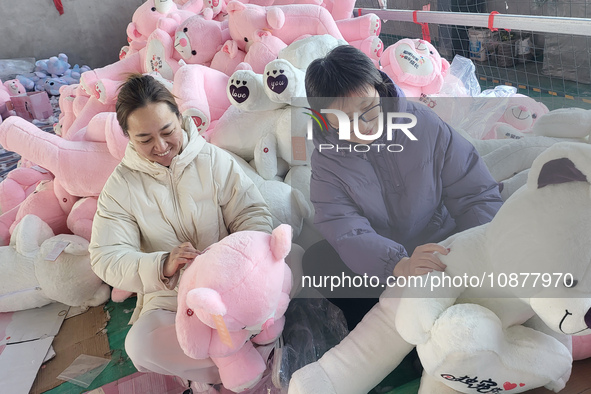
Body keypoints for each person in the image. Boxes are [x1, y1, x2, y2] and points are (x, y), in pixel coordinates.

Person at [89, 74, 274, 393]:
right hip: (174, 300)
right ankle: (226, 368)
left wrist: (237, 262)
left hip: (233, 285)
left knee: (292, 262)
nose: (160, 146)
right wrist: (162, 265)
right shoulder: (120, 188)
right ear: (128, 137)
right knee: (141, 345)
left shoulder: (213, 161)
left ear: (180, 118)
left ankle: (243, 358)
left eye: (166, 131)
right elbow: (106, 257)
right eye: (145, 139)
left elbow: (252, 214)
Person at [303, 45, 503, 329]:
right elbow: (343, 226)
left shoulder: (423, 124)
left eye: (367, 109)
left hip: (442, 247)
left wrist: (475, 249)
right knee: (317, 262)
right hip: (384, 265)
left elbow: (475, 191)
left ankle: (433, 321)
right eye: (345, 120)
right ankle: (392, 332)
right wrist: (398, 265)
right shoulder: (327, 160)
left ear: (379, 89)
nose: (362, 126)